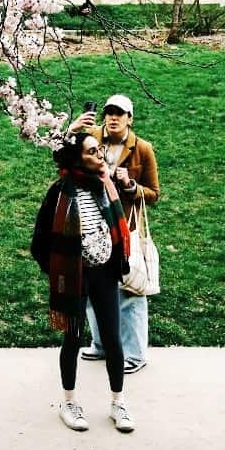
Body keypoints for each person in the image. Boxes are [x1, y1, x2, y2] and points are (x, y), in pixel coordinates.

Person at [30, 132, 135, 433]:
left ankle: (118, 402)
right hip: (75, 277)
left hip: (104, 274)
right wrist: (59, 272)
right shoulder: (60, 193)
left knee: (113, 340)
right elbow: (40, 243)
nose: (99, 155)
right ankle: (69, 402)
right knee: (73, 339)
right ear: (77, 159)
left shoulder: (106, 186)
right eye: (91, 152)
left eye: (99, 149)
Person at [69, 94, 160, 374]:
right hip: (94, 228)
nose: (113, 117)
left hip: (125, 229)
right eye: (109, 112)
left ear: (130, 118)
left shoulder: (142, 149)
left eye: (119, 113)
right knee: (96, 288)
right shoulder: (92, 139)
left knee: (130, 292)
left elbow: (154, 193)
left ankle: (134, 354)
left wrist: (130, 184)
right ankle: (101, 345)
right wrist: (72, 130)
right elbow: (64, 157)